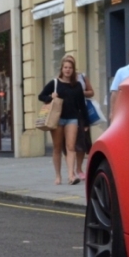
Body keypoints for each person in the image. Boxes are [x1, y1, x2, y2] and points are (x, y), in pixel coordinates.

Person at [38, 55, 93, 185]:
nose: (68, 70)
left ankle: (71, 176)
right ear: (62, 69)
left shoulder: (78, 85)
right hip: (57, 119)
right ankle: (58, 176)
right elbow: (41, 96)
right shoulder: (55, 83)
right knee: (57, 148)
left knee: (71, 147)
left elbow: (82, 105)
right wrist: (50, 96)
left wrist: (85, 123)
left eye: (70, 68)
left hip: (72, 119)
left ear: (73, 70)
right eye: (65, 67)